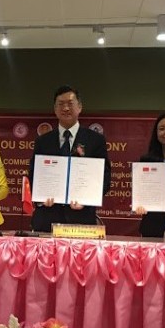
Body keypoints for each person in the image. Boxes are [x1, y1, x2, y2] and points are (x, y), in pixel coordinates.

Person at [29, 85, 111, 231]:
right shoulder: (42, 141)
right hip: (47, 218)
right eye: (61, 104)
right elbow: (33, 175)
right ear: (55, 110)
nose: (65, 108)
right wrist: (41, 199)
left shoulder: (95, 140)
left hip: (81, 218)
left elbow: (105, 177)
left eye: (70, 104)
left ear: (79, 107)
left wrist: (86, 200)